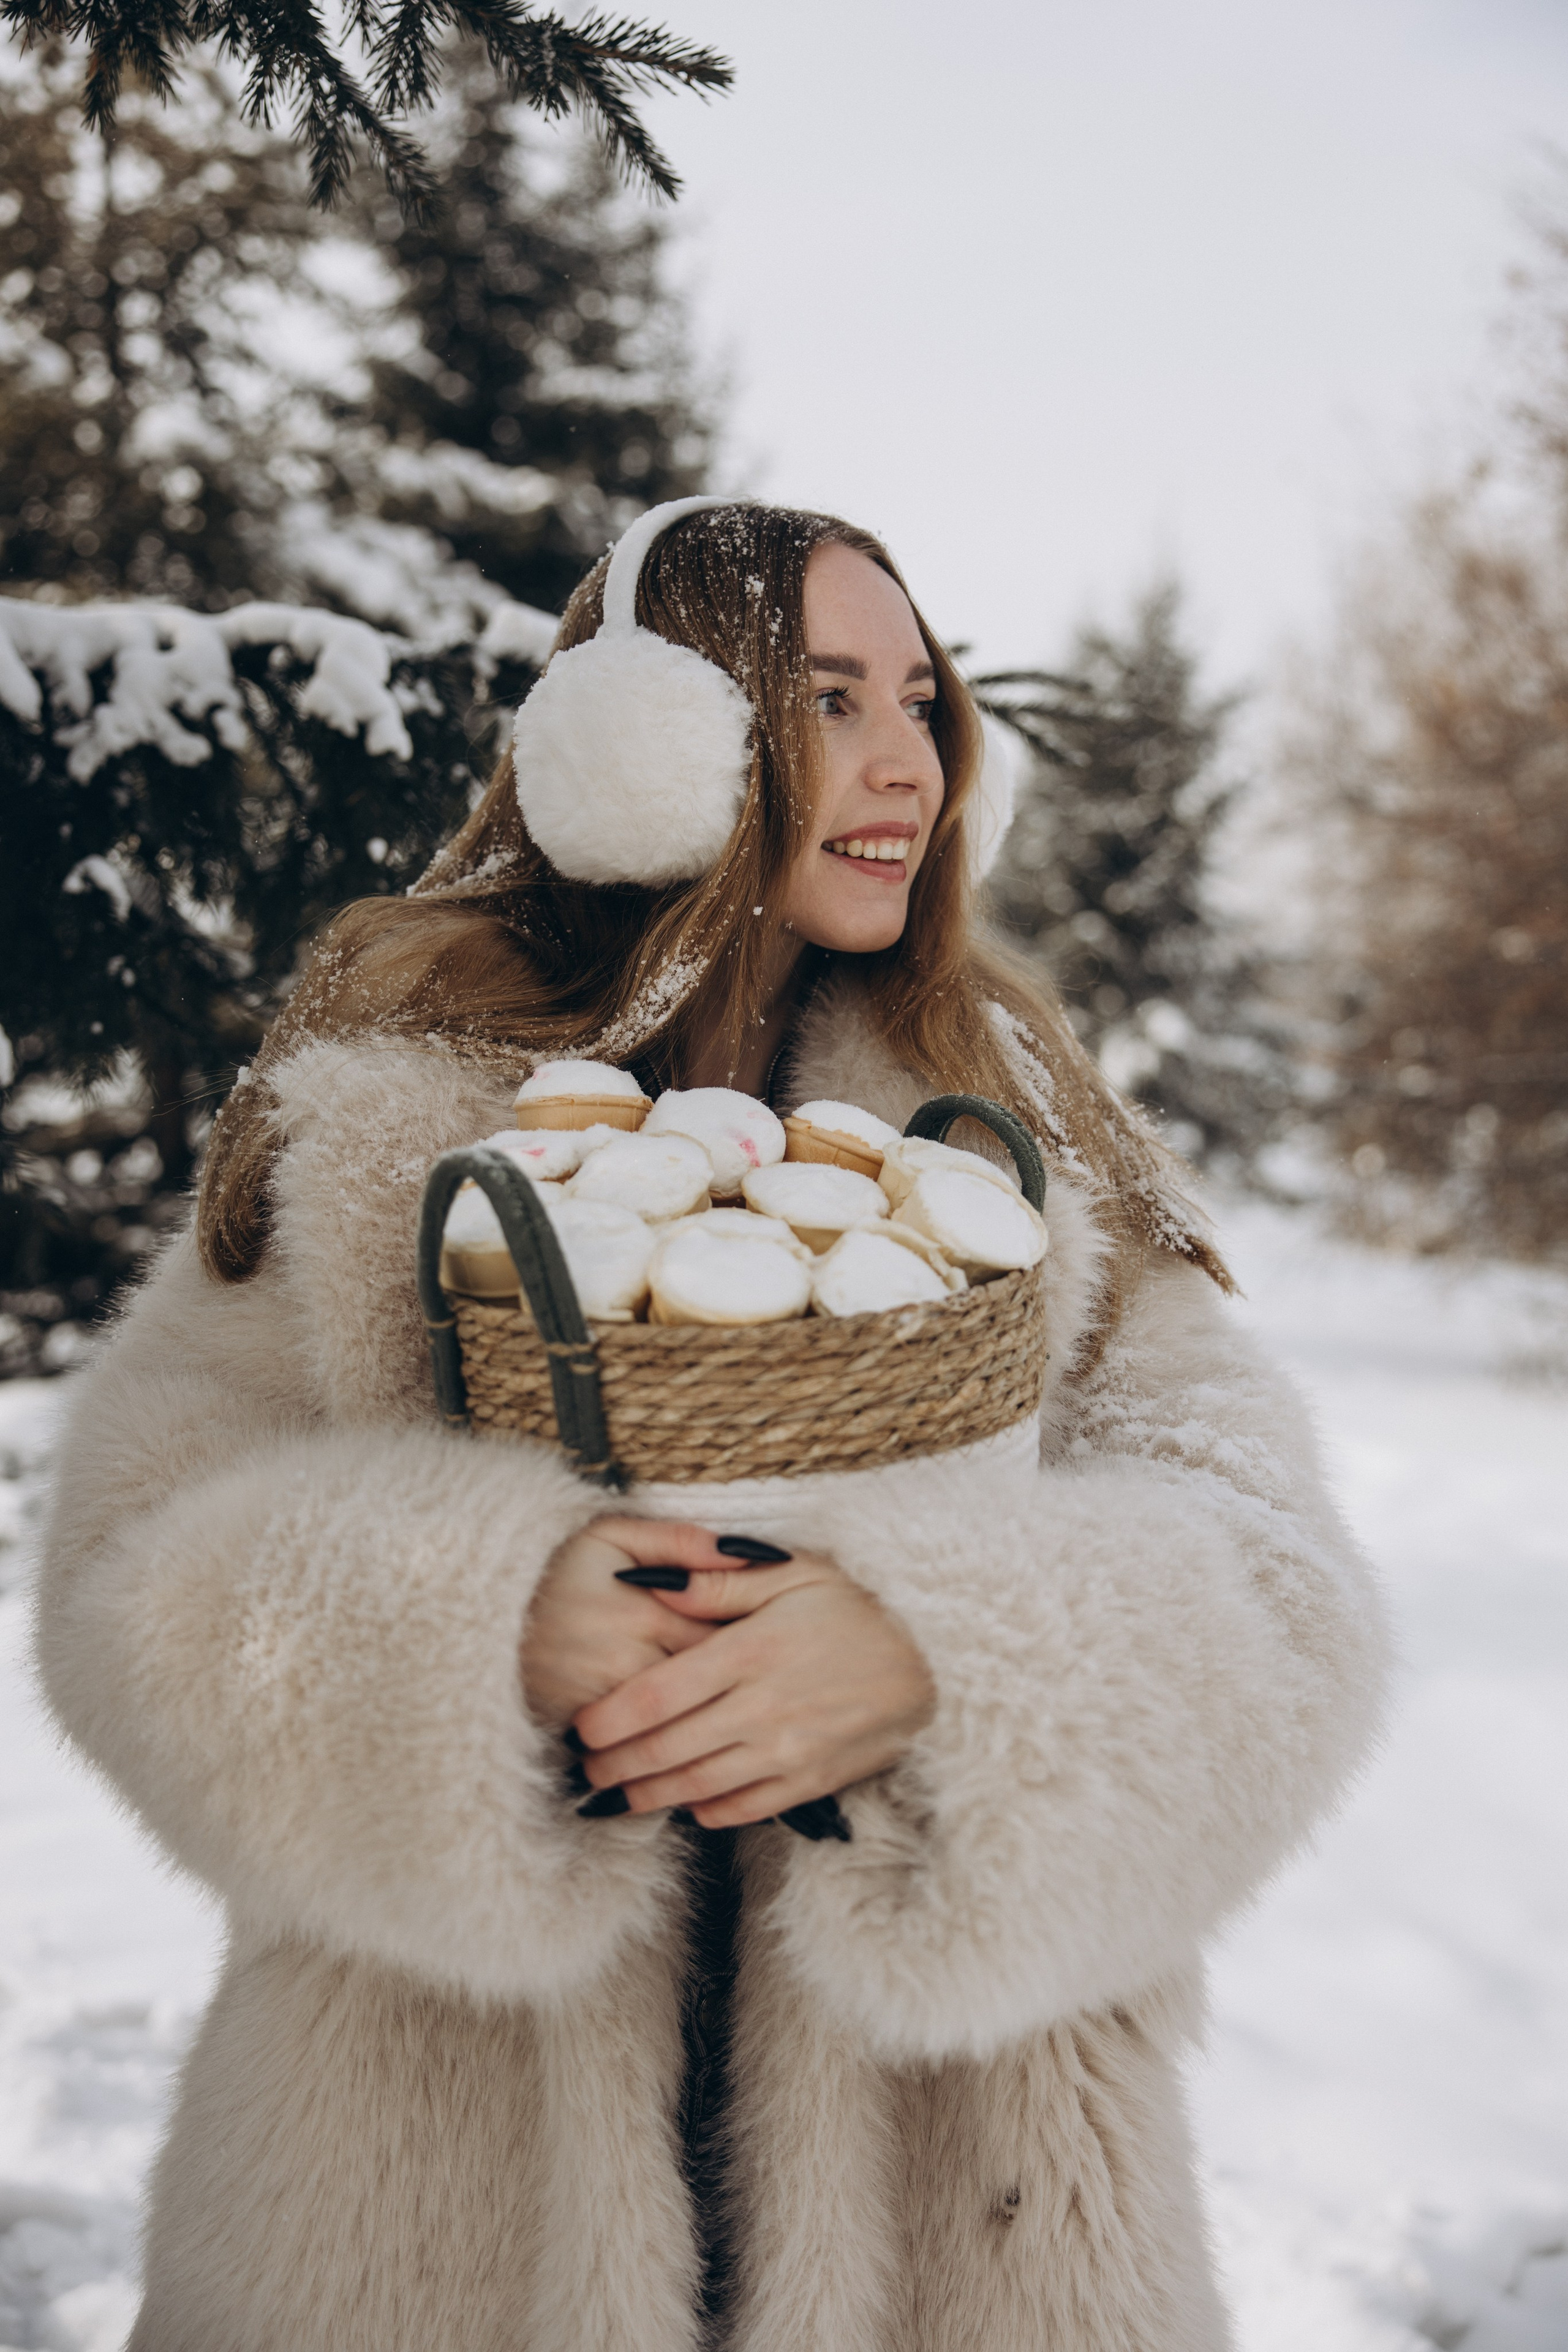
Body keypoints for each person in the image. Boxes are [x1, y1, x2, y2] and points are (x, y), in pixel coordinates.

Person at [36, 500, 1387, 2351]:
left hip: (967, 2221)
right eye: (828, 697)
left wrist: (947, 1659)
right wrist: (477, 1621)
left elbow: (1280, 1587)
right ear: (649, 744)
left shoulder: (1016, 1143)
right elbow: (132, 1568)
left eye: (922, 697)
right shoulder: (387, 1135)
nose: (906, 758)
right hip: (427, 2207)